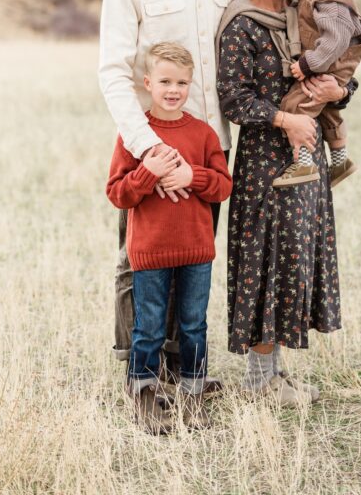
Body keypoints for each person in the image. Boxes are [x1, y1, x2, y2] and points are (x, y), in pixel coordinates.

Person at [98, 0, 238, 379]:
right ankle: (140, 374)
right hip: (150, 150)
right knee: (140, 264)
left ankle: (186, 373)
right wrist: (149, 150)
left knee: (193, 262)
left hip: (207, 149)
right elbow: (114, 73)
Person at [216, 0, 353, 405]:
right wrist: (283, 121)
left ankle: (274, 376)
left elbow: (339, 69)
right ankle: (257, 382)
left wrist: (342, 91)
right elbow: (233, 97)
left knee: (293, 261)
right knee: (262, 261)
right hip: (265, 161)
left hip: (307, 157)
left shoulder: (306, 13)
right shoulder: (241, 23)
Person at [106, 42, 232, 433]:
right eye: (164, 81)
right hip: (150, 251)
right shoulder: (134, 135)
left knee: (194, 323)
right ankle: (144, 391)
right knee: (150, 325)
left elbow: (223, 187)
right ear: (148, 83)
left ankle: (193, 394)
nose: (173, 90)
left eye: (181, 82)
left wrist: (191, 176)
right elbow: (117, 193)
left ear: (191, 85)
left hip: (196, 250)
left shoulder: (203, 133)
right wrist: (149, 171)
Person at [273, 0, 361, 188]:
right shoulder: (322, 0)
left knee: (298, 103)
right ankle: (340, 161)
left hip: (328, 66)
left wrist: (307, 65)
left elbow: (333, 44)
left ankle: (304, 162)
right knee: (328, 111)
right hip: (331, 67)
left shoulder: (334, 8)